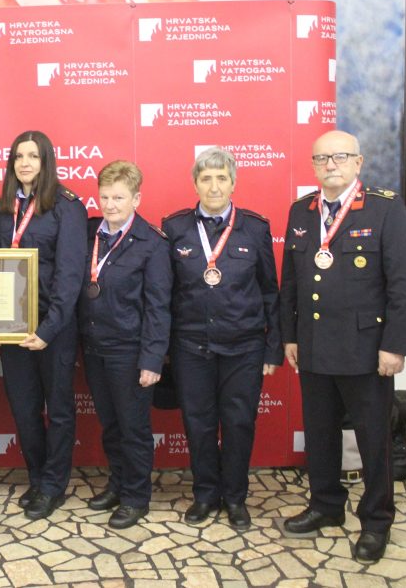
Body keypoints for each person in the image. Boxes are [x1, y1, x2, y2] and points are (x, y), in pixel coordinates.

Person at [279, 130, 406, 563]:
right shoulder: (301, 211)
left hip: (366, 350)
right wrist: (290, 335)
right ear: (313, 165)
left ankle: (376, 521)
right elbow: (291, 282)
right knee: (320, 434)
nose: (330, 165)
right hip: (314, 346)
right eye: (321, 158)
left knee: (373, 439)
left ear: (358, 162)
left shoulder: (385, 209)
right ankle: (325, 505)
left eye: (340, 157)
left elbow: (404, 284)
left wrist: (394, 345)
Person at [162, 147, 281, 530]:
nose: (214, 186)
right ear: (195, 183)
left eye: (221, 178)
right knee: (198, 424)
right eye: (206, 178)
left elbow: (270, 291)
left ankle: (235, 497)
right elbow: (164, 293)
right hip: (190, 347)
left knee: (239, 423)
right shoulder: (175, 228)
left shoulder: (255, 228)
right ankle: (205, 495)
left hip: (244, 348)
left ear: (233, 183)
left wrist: (273, 347)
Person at [0, 130, 87, 520]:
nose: (25, 163)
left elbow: (70, 276)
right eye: (19, 156)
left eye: (33, 156)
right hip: (11, 325)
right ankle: (37, 477)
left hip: (54, 328)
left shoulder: (67, 207)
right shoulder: (2, 208)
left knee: (59, 409)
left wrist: (48, 331)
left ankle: (53, 485)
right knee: (24, 407)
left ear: (46, 160)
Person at [78, 160, 171, 529]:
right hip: (94, 345)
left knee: (133, 428)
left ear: (136, 199)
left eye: (118, 197)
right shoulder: (89, 233)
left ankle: (136, 496)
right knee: (111, 425)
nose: (110, 204)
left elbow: (159, 306)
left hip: (129, 350)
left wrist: (152, 359)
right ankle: (117, 484)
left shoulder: (152, 243)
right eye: (104, 197)